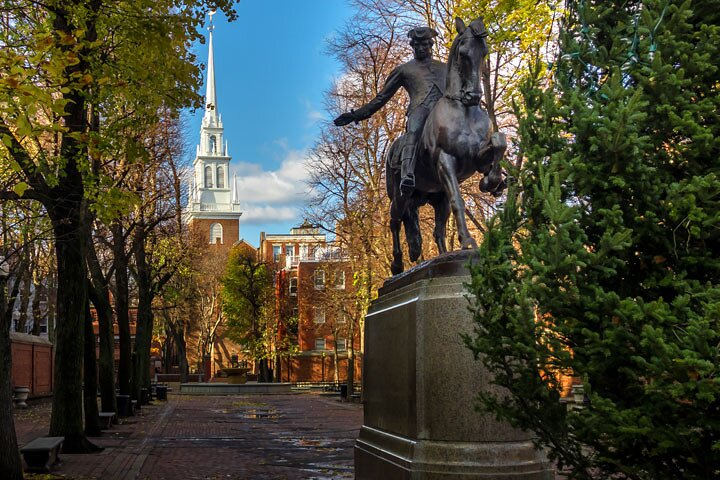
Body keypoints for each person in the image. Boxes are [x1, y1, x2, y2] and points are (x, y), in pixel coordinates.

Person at [334, 27, 446, 195]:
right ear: (412, 46)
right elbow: (382, 97)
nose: (421, 48)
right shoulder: (404, 70)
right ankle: (408, 173)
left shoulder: (445, 68)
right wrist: (356, 115)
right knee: (414, 131)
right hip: (420, 109)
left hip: (444, 110)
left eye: (424, 44)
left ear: (431, 45)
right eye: (417, 45)